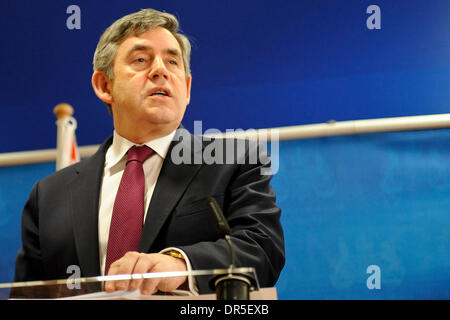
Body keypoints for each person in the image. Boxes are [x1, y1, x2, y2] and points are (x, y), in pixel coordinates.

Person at [13, 8, 285, 296]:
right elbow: (28, 292)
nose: (160, 70)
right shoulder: (49, 195)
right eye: (141, 60)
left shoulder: (233, 161)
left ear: (187, 88)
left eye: (172, 61)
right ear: (105, 85)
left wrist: (180, 264)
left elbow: (262, 249)